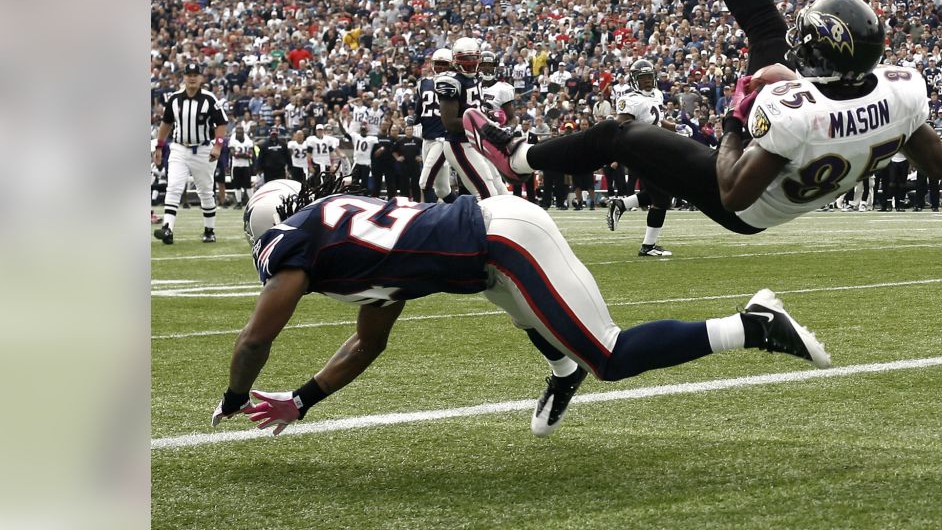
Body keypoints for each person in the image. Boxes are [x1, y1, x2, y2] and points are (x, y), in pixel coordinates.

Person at [466, 0, 942, 235]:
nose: (796, 47)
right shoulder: (899, 93)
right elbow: (938, 165)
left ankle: (521, 157)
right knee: (765, 26)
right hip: (816, 142)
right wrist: (874, 134)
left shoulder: (795, 110)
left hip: (750, 205)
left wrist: (736, 119)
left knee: (618, 136)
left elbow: (733, 193)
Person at [211, 176, 831, 438]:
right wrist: (302, 399)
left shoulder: (295, 241)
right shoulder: (354, 252)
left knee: (609, 355)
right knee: (543, 329)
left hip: (501, 241)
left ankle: (749, 325)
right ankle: (561, 371)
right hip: (488, 256)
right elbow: (367, 342)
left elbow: (254, 340)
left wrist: (239, 393)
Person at [604, 59, 678, 256]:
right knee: (662, 198)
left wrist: (674, 127)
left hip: (658, 150)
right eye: (642, 78)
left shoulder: (657, 94)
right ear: (635, 80)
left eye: (649, 77)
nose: (646, 81)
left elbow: (657, 120)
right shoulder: (629, 100)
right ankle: (648, 246)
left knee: (661, 195)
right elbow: (621, 126)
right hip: (642, 152)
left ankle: (621, 205)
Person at [153, 62, 229, 244]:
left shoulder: (209, 99)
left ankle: (209, 230)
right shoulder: (174, 99)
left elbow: (221, 123)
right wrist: (159, 146)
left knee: (205, 191)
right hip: (179, 148)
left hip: (202, 148)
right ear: (184, 77)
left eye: (196, 74)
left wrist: (217, 146)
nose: (192, 77)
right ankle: (167, 228)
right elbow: (166, 123)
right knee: (173, 187)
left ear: (201, 77)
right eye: (189, 75)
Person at [436, 37, 510, 198]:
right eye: (465, 59)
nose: (469, 63)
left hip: (477, 141)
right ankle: (486, 223)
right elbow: (449, 123)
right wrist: (484, 122)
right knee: (486, 193)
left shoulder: (477, 77)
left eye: (473, 58)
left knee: (500, 188)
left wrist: (489, 116)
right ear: (455, 59)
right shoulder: (451, 81)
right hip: (459, 144)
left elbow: (476, 108)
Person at [415, 48, 454, 203]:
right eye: (438, 64)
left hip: (442, 139)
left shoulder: (455, 83)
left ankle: (430, 221)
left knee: (424, 183)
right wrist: (412, 119)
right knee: (443, 190)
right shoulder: (424, 83)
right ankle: (462, 215)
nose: (440, 68)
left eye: (444, 64)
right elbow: (419, 111)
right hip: (427, 138)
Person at [226, 127, 256, 208]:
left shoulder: (248, 141)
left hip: (245, 166)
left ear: (243, 132)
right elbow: (233, 154)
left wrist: (239, 155)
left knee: (248, 185)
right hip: (236, 166)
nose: (239, 134)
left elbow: (251, 155)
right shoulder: (233, 140)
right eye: (238, 132)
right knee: (237, 185)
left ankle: (252, 202)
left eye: (240, 132)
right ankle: (239, 203)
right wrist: (244, 155)